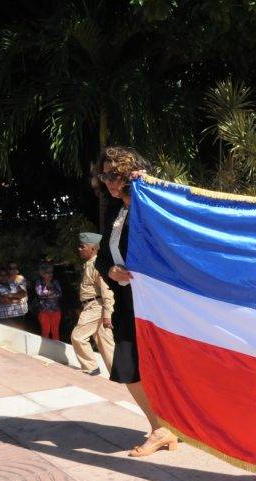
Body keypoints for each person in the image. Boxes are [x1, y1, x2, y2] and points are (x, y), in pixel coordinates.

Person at [95, 146, 178, 457]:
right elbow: (104, 255)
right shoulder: (116, 211)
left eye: (115, 175)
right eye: (105, 175)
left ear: (132, 173)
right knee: (129, 367)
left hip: (158, 303)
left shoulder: (151, 204)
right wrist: (110, 270)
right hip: (128, 301)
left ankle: (165, 429)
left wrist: (152, 187)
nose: (109, 182)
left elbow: (178, 223)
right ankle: (160, 427)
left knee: (160, 365)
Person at [71, 232, 116, 375]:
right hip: (93, 306)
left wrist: (107, 314)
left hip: (96, 307)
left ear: (92, 248)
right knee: (106, 344)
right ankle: (118, 374)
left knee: (77, 337)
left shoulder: (97, 266)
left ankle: (91, 367)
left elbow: (107, 291)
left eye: (82, 246)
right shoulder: (90, 265)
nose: (79, 249)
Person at [34, 264, 63, 340]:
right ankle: (45, 350)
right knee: (46, 331)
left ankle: (56, 350)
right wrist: (50, 293)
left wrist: (47, 293)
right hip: (44, 310)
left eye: (51, 272)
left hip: (56, 310)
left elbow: (59, 294)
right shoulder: (39, 282)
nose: (50, 274)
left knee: (55, 331)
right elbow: (40, 294)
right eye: (48, 272)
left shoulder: (55, 282)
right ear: (42, 274)